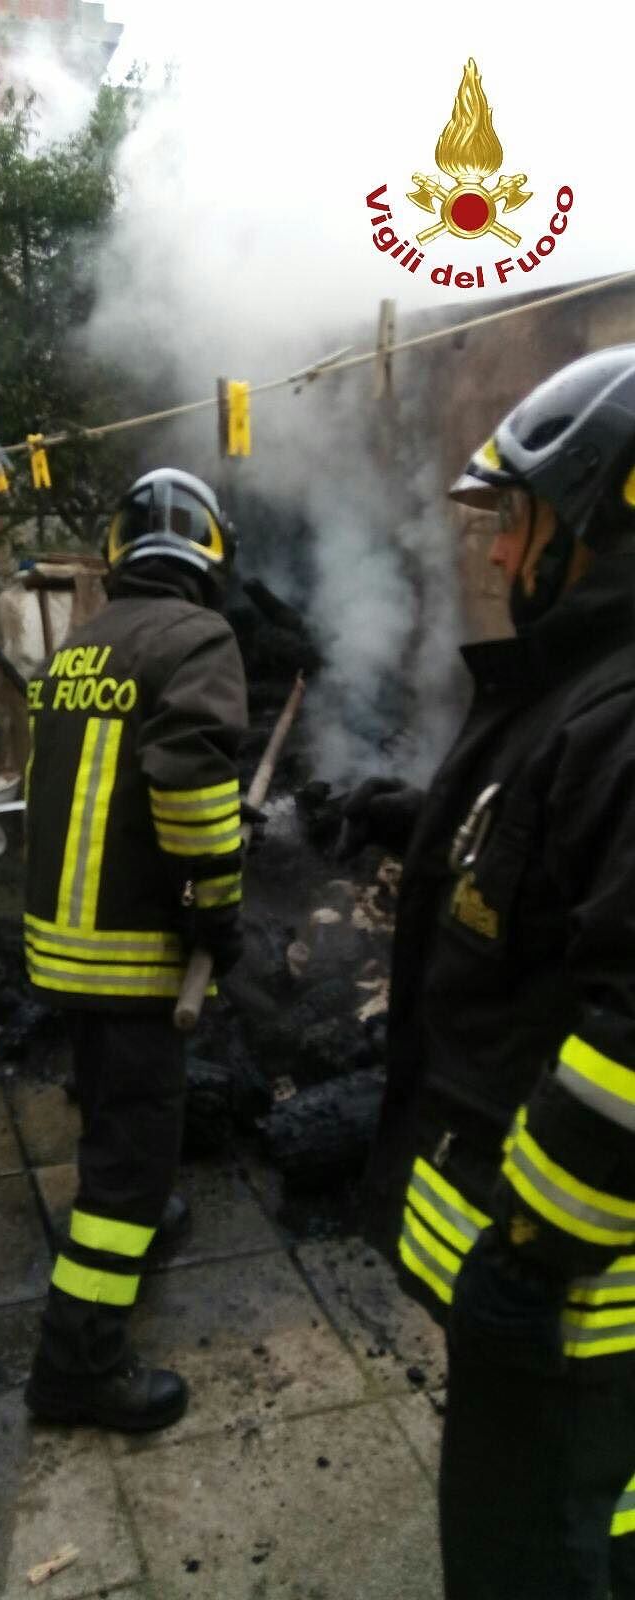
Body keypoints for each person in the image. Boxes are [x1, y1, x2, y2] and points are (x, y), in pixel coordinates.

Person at [344, 348, 635, 1599]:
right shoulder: (587, 694)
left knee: (535, 1562)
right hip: (540, 1305)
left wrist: (525, 1254)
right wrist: (418, 817)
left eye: (516, 520)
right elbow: (549, 863)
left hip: (569, 1306)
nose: (500, 555)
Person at [23, 467, 248, 1432]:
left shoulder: (80, 645)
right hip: (130, 954)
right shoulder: (198, 637)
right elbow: (192, 782)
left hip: (63, 946)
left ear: (118, 555)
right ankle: (78, 1366)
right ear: (209, 556)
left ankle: (132, 1225)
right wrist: (217, 909)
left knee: (108, 1104)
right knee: (133, 1153)